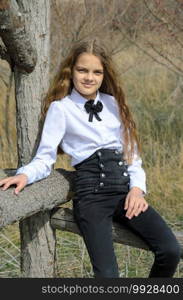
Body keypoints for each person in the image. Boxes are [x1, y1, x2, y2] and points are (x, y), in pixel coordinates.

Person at [0, 39, 181, 278]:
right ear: (71, 70)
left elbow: (132, 157)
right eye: (82, 70)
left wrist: (137, 190)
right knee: (107, 276)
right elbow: (45, 158)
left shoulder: (113, 103)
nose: (89, 77)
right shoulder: (61, 109)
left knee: (170, 250)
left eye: (97, 72)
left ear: (104, 75)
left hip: (126, 194)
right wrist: (24, 174)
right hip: (92, 199)